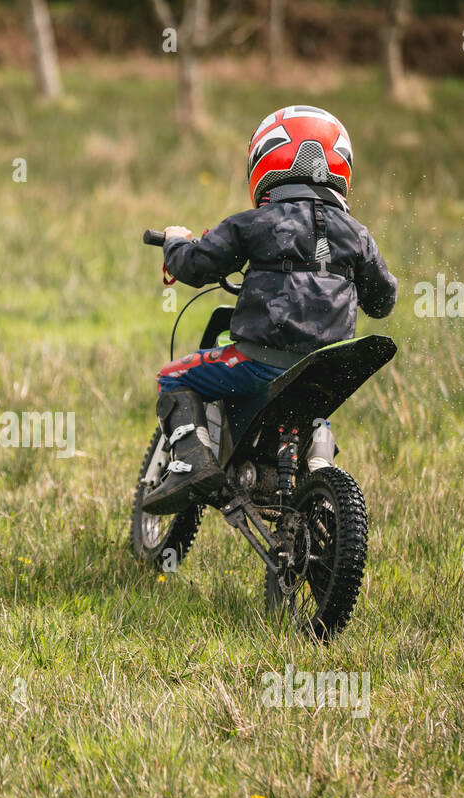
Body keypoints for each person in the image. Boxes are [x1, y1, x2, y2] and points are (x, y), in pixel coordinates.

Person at [142, 104, 399, 516]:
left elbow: (194, 265)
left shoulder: (255, 222)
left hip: (259, 361)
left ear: (267, 158)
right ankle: (317, 462)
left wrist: (175, 241)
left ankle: (193, 463)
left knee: (173, 377)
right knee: (312, 411)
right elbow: (383, 301)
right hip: (327, 365)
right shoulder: (358, 235)